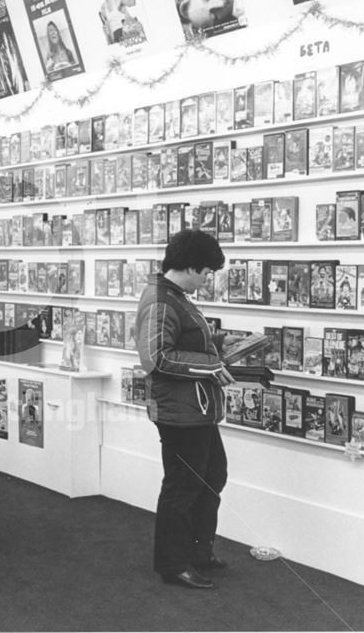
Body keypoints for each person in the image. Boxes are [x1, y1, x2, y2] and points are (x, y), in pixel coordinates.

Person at [133, 229, 235, 590]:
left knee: (211, 476)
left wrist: (221, 344)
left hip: (196, 409)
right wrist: (210, 364)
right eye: (206, 272)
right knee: (183, 486)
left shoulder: (175, 297)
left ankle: (197, 551)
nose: (207, 280)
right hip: (181, 413)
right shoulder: (163, 301)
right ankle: (173, 564)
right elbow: (156, 357)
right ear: (190, 266)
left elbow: (182, 342)